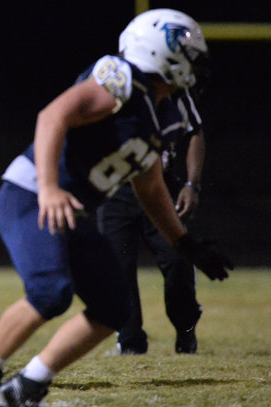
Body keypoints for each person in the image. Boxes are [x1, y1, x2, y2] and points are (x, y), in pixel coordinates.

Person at [0, 9, 231, 407]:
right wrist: (50, 186)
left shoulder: (160, 112)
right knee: (51, 291)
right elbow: (53, 116)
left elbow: (150, 186)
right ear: (163, 50)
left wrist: (183, 242)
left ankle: (28, 386)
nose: (195, 67)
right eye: (189, 55)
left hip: (70, 209)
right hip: (31, 193)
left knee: (113, 307)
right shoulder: (121, 79)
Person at [97, 36, 208, 354]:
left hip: (161, 189)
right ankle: (129, 342)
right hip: (118, 192)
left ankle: (186, 327)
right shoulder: (108, 86)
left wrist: (192, 183)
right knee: (117, 270)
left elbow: (195, 131)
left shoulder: (172, 89)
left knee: (178, 263)